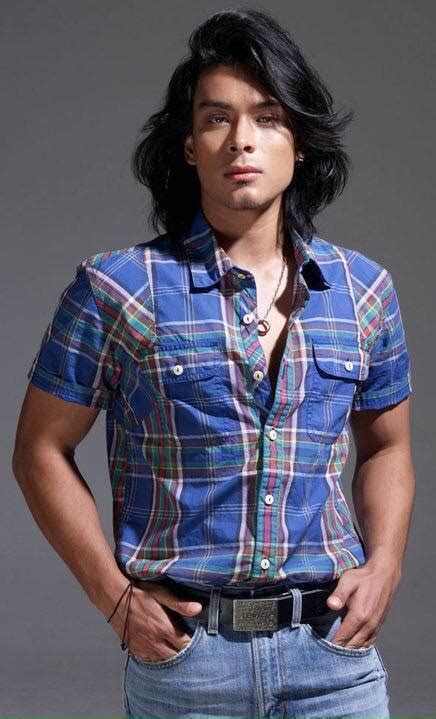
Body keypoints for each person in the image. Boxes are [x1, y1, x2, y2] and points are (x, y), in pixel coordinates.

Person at [12, 7, 415, 719]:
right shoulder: (118, 289)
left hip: (333, 655)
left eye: (268, 117)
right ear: (189, 146)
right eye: (216, 119)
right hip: (187, 663)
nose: (242, 140)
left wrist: (385, 565)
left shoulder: (363, 291)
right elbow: (38, 448)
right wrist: (114, 599)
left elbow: (388, 446)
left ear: (299, 142)